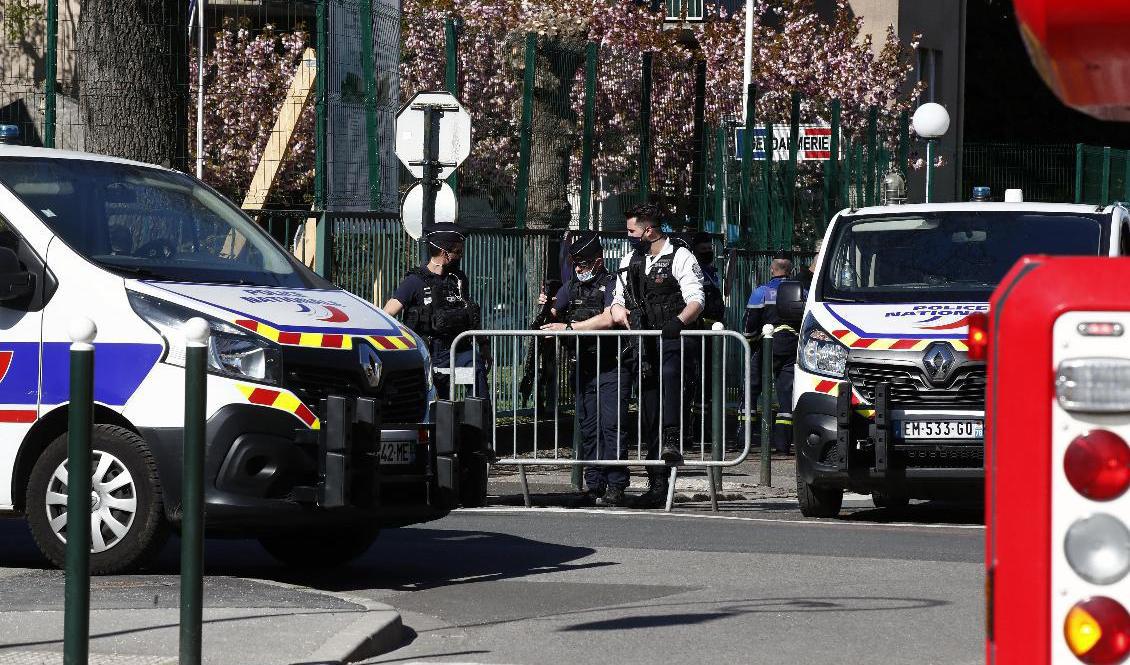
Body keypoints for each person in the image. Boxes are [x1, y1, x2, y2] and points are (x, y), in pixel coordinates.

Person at [609, 202, 705, 508]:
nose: (629, 236)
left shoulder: (680, 256)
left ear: (648, 230)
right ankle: (656, 485)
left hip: (674, 344)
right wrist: (617, 310)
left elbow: (696, 299)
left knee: (671, 403)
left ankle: (673, 449)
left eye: (631, 230)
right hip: (644, 348)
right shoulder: (631, 259)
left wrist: (676, 324)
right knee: (650, 413)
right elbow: (616, 298)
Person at [538, 231, 628, 507]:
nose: (579, 268)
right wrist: (547, 305)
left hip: (612, 365)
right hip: (584, 365)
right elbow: (553, 314)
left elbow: (608, 319)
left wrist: (569, 328)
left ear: (598, 262)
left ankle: (616, 485)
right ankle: (594, 484)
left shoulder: (613, 283)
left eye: (584, 263)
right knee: (589, 426)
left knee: (612, 425)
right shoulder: (572, 286)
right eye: (576, 263)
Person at [384, 224, 489, 399]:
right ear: (443, 252)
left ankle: (478, 424)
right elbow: (387, 314)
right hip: (430, 351)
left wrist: (484, 346)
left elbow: (470, 314)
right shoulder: (414, 282)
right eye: (457, 252)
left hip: (459, 348)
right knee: (439, 402)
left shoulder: (458, 279)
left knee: (477, 370)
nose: (460, 256)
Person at [745, 255, 799, 454]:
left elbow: (750, 324)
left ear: (771, 270)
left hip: (766, 347)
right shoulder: (801, 292)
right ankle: (784, 445)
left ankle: (746, 441)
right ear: (790, 271)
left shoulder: (761, 292)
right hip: (792, 347)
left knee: (751, 390)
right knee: (786, 395)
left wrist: (750, 342)